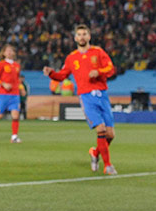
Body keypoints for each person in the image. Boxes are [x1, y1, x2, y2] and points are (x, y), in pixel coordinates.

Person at [43, 24, 117, 175]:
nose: (82, 37)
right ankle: (108, 165)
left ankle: (95, 153)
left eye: (84, 34)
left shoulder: (98, 52)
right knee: (101, 130)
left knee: (110, 135)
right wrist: (51, 73)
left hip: (102, 95)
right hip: (86, 96)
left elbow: (111, 68)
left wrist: (99, 72)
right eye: (79, 34)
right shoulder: (71, 58)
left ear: (89, 36)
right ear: (75, 38)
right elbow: (62, 75)